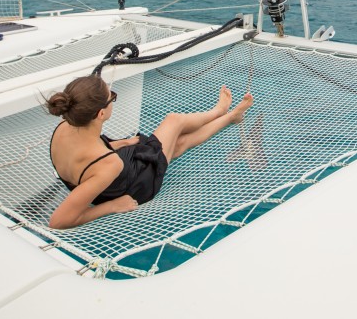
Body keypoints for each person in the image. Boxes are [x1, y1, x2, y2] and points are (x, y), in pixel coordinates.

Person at [45, 75, 253, 229]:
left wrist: (117, 145)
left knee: (177, 144)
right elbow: (58, 221)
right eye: (113, 97)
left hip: (104, 177)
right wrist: (111, 207)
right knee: (174, 121)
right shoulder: (109, 164)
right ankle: (219, 112)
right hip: (134, 187)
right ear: (100, 114)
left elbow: (86, 156)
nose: (114, 99)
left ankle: (230, 117)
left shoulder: (64, 127)